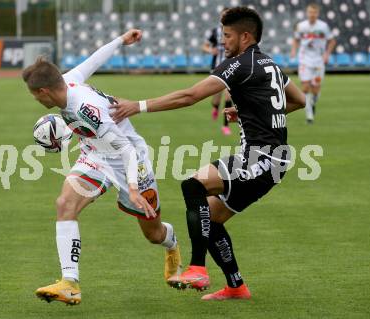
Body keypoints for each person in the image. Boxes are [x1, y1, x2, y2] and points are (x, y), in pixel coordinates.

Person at [110, 7, 306, 301]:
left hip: (263, 158)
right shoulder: (270, 65)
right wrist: (246, 112)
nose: (222, 42)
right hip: (272, 159)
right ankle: (236, 286)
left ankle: (198, 267)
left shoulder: (240, 65)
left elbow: (190, 96)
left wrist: (138, 105)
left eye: (227, 36)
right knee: (210, 219)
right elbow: (299, 100)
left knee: (194, 184)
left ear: (245, 36)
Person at [22, 29, 181, 306]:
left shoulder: (87, 111)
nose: (38, 102)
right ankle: (69, 283)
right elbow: (92, 61)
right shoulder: (67, 81)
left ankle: (173, 245)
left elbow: (127, 151)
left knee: (153, 234)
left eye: (36, 97)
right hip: (95, 156)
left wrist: (132, 189)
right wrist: (121, 40)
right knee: (64, 204)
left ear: (44, 91)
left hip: (131, 162)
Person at [290, 3, 336, 124]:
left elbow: (332, 41)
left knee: (315, 90)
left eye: (314, 12)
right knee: (305, 87)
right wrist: (294, 50)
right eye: (310, 12)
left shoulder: (323, 26)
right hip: (304, 59)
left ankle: (313, 103)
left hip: (318, 61)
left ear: (317, 14)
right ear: (307, 13)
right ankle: (309, 116)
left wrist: (327, 54)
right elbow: (296, 39)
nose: (312, 14)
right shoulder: (301, 26)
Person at [202, 7, 234, 135]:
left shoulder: (235, 32)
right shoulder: (214, 32)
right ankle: (215, 107)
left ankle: (225, 126)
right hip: (217, 67)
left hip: (231, 67)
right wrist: (211, 50)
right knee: (216, 98)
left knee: (228, 95)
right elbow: (204, 46)